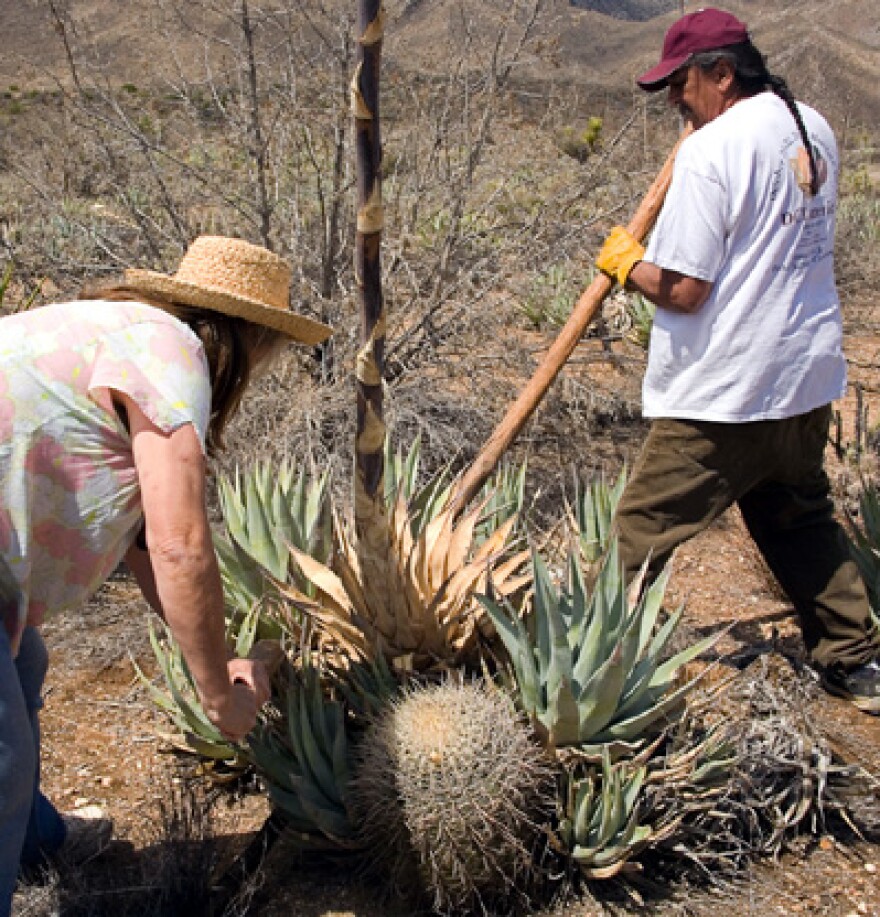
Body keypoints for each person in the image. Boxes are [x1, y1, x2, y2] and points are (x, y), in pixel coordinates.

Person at [0, 235, 333, 913]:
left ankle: (32, 839)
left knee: (23, 663)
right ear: (253, 337)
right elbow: (181, 542)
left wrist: (211, 654)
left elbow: (146, 541)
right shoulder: (174, 355)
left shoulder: (122, 331)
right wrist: (219, 696)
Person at [595, 8, 880, 713]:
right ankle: (855, 661)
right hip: (804, 379)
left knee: (638, 534)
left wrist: (628, 265)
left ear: (722, 73)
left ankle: (592, 675)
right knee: (798, 516)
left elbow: (687, 290)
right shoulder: (814, 126)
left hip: (726, 393)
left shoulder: (710, 150)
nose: (673, 100)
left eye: (681, 83)